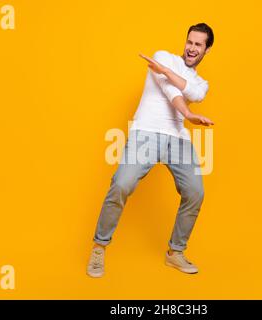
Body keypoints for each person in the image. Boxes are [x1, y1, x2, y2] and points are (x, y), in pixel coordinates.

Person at [87, 23, 215, 277]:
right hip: (146, 131)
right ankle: (99, 247)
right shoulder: (163, 56)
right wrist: (187, 111)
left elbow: (194, 93)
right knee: (122, 184)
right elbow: (170, 90)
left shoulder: (202, 82)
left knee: (195, 192)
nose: (191, 48)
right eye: (190, 42)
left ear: (207, 50)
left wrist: (167, 74)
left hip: (177, 138)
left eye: (198, 45)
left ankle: (175, 253)